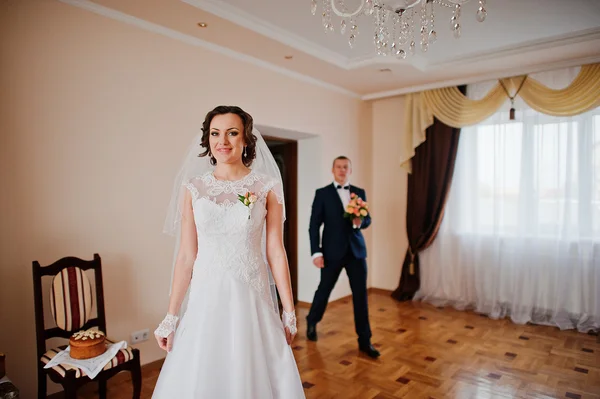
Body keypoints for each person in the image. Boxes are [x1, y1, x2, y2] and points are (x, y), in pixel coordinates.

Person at [152, 105, 306, 398]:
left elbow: (275, 250)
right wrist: (171, 317)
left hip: (251, 296)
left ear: (246, 139)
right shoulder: (193, 188)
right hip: (205, 298)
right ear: (207, 139)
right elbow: (186, 255)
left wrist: (288, 310)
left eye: (232, 133)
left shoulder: (267, 187)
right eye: (215, 133)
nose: (222, 141)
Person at [305, 156, 380, 358]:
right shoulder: (322, 194)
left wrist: (358, 222)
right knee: (324, 290)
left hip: (356, 252)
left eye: (345, 167)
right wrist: (316, 252)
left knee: (361, 297)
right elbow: (314, 226)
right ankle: (312, 321)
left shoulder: (359, 192)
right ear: (332, 170)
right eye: (338, 167)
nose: (342, 170)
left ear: (350, 170)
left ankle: (365, 341)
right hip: (331, 253)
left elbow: (367, 220)